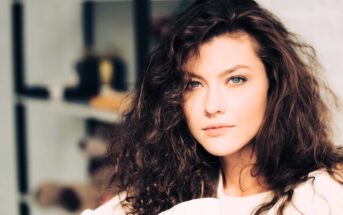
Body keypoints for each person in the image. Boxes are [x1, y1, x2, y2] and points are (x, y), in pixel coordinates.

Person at [81, 0, 343, 214]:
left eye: (235, 79)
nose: (212, 106)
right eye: (194, 84)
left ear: (273, 85)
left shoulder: (322, 193)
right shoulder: (166, 191)